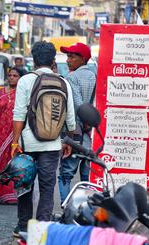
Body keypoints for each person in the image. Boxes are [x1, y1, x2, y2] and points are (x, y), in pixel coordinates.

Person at [11, 41, 76, 236]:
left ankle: (23, 227)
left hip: (27, 144)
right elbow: (70, 118)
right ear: (53, 60)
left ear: (34, 59)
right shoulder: (63, 82)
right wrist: (67, 141)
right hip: (52, 144)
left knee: (25, 185)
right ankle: (43, 227)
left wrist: (15, 141)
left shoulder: (25, 81)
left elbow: (19, 114)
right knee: (47, 188)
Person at [57, 43, 96, 204]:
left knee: (66, 174)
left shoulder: (71, 78)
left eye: (72, 56)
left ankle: (67, 208)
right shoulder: (96, 76)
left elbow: (78, 105)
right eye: (68, 56)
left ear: (83, 59)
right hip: (93, 136)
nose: (68, 60)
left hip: (75, 135)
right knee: (89, 177)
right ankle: (88, 210)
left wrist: (84, 121)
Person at [0, 67, 26, 205]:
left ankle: (14, 193)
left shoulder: (23, 93)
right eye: (10, 75)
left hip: (16, 133)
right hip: (1, 134)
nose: (11, 77)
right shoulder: (0, 92)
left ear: (20, 77)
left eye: (15, 75)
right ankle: (3, 193)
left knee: (14, 162)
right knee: (1, 163)